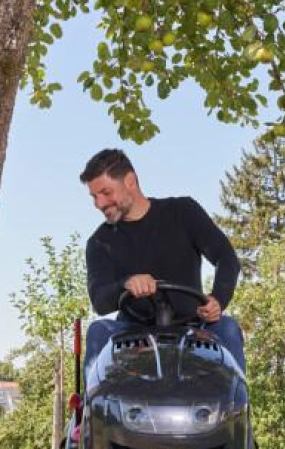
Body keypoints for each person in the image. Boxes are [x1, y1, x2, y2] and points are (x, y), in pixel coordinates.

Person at [80, 148, 246, 375]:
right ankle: (96, 399)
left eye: (105, 192)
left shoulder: (183, 212)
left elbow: (226, 257)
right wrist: (126, 283)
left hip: (193, 326)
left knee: (228, 328)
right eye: (94, 196)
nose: (99, 203)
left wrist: (218, 299)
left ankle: (233, 398)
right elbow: (99, 300)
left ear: (130, 181)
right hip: (132, 331)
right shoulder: (100, 242)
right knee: (98, 332)